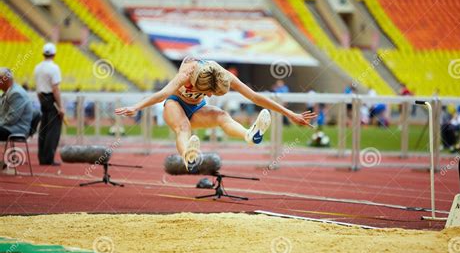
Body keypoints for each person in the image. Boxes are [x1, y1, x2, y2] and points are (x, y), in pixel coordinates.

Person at [116, 57, 316, 173]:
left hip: (197, 108)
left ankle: (249, 134)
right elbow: (162, 95)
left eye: (212, 92)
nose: (210, 95)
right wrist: (136, 107)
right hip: (175, 103)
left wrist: (290, 113)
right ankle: (189, 156)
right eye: (207, 91)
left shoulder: (223, 75)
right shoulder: (186, 74)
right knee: (183, 127)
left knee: (221, 115)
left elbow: (255, 97)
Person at [34, 43, 64, 166]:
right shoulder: (54, 68)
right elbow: (55, 88)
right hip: (51, 99)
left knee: (43, 129)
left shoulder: (37, 67)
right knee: (53, 130)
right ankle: (48, 159)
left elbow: (37, 87)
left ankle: (42, 157)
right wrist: (61, 107)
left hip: (41, 98)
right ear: (54, 54)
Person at [0, 68, 33, 141]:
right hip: (9, 127)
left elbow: (11, 119)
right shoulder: (8, 92)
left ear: (6, 80)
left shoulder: (16, 93)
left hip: (16, 129)